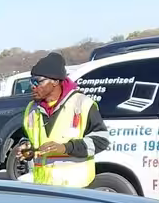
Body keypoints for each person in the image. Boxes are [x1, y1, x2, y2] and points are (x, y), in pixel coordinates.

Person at [17, 52, 109, 187]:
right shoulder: (31, 109)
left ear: (55, 81)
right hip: (44, 186)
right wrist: (27, 148)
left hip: (75, 188)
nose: (32, 86)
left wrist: (65, 148)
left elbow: (101, 140)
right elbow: (27, 138)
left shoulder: (81, 104)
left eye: (38, 81)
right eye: (31, 81)